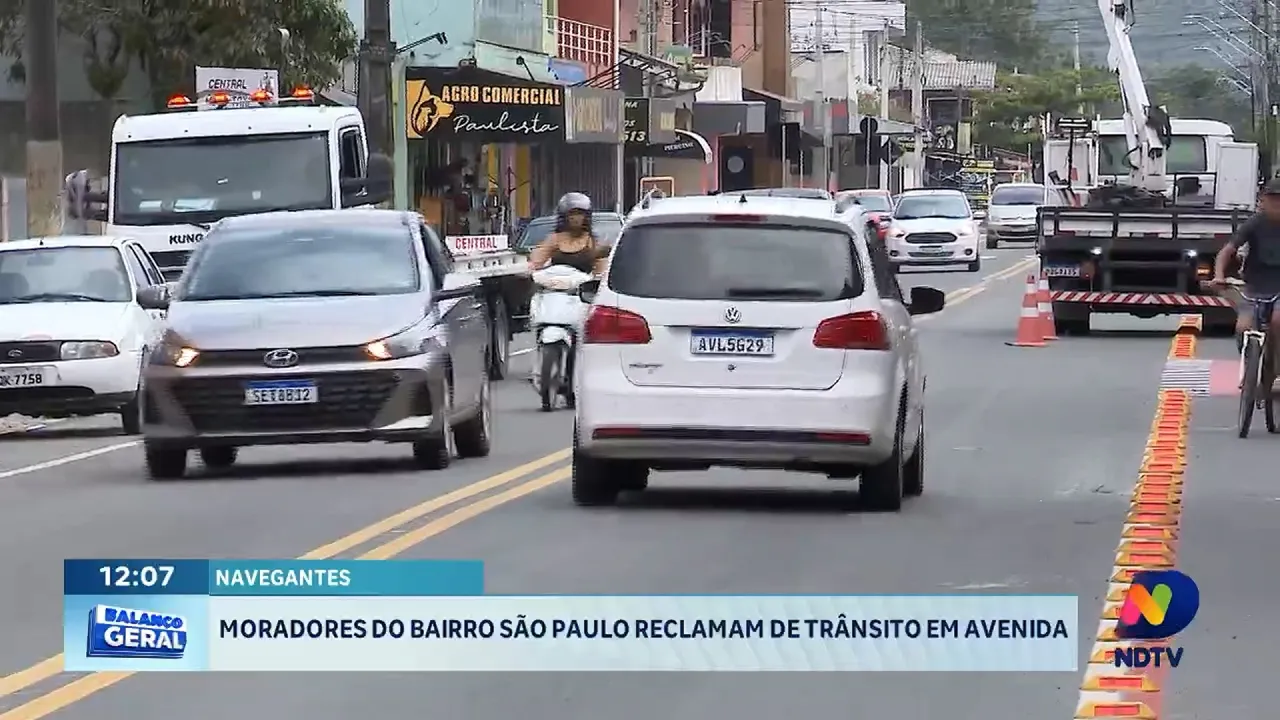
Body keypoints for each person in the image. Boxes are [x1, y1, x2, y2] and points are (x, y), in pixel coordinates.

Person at [1211, 178, 1280, 338]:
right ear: (1264, 201)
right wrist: (1219, 276)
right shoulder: (1255, 223)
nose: (1277, 204)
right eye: (1273, 199)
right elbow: (1227, 250)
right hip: (1254, 287)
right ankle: (1248, 359)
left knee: (1277, 322)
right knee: (1243, 328)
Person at [527, 192, 609, 275]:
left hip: (584, 285)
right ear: (564, 216)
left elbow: (601, 269)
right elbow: (536, 262)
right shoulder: (554, 239)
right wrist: (532, 269)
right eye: (571, 213)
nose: (575, 218)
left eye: (579, 213)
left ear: (586, 217)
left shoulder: (592, 242)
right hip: (556, 284)